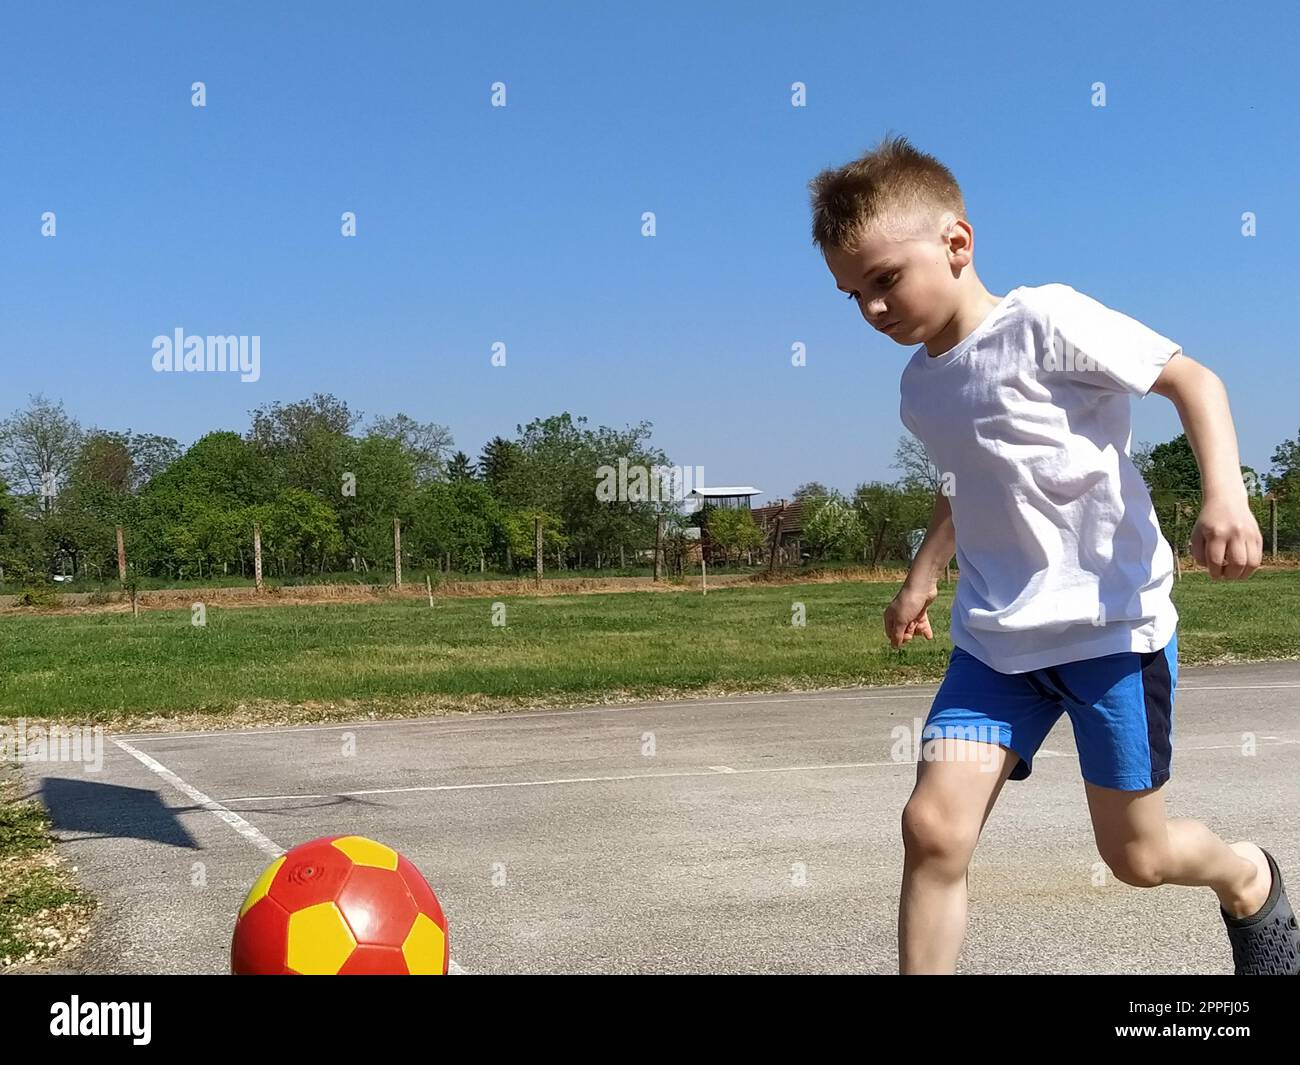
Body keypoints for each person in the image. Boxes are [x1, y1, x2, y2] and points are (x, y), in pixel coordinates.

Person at [808, 133, 1298, 976]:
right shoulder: (920, 387)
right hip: (996, 646)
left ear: (957, 244)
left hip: (1110, 633)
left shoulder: (1046, 322)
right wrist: (920, 578)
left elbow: (1194, 381)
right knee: (931, 826)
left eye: (885, 279)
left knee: (1137, 859)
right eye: (852, 295)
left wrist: (1226, 493)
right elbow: (967, 482)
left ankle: (1247, 875)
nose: (874, 311)